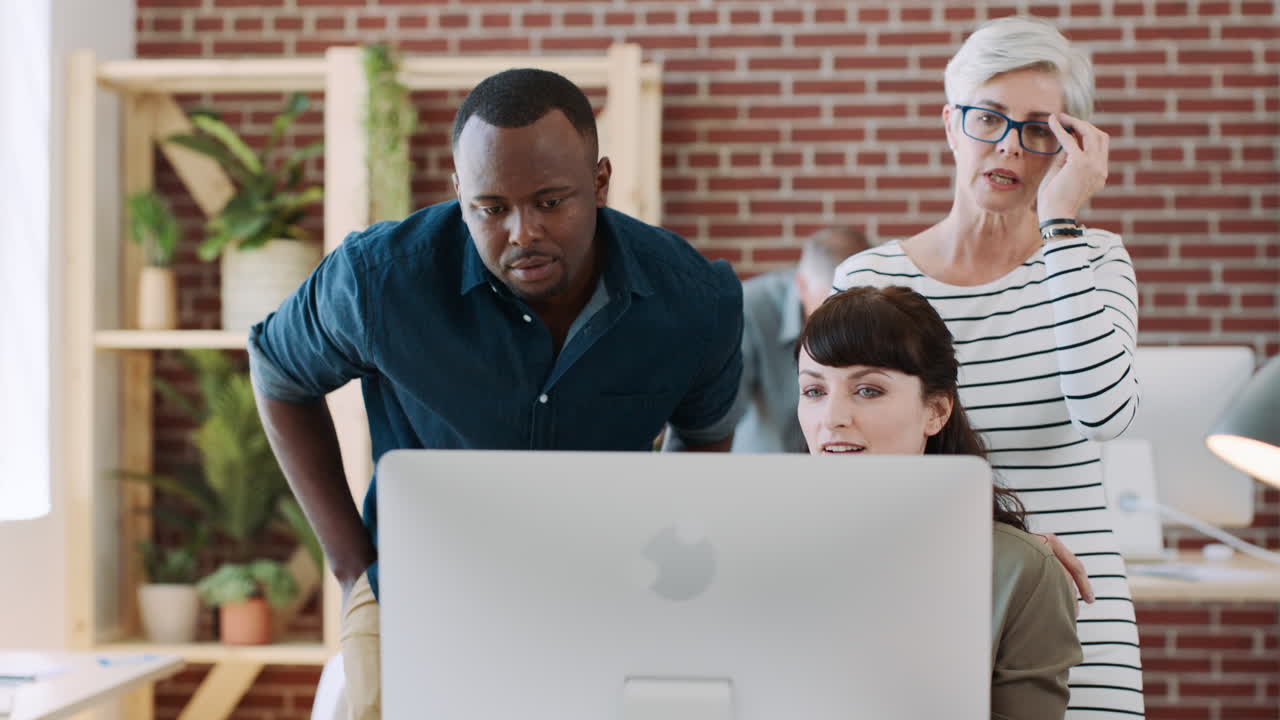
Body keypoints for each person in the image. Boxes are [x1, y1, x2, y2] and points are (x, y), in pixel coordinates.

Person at [248, 68, 743, 719]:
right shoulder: (380, 280)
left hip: (602, 588)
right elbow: (278, 372)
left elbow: (704, 434)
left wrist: (658, 578)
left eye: (550, 201)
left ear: (599, 182)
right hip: (414, 585)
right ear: (459, 193)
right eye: (491, 208)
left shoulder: (692, 300)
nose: (521, 233)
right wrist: (349, 566)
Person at [831, 17, 1142, 718]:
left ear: (1068, 147)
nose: (1008, 145)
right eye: (988, 118)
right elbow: (846, 468)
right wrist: (1006, 543)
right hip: (919, 603)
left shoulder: (1093, 260)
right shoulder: (870, 278)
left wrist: (1063, 225)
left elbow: (1104, 414)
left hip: (1078, 610)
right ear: (951, 124)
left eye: (1038, 128)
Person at [796, 286, 1083, 719]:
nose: (832, 417)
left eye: (868, 390)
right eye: (814, 391)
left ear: (937, 410)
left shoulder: (1017, 572)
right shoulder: (762, 548)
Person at [730, 227, 869, 453]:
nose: (842, 323)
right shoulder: (749, 311)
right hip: (762, 470)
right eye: (830, 305)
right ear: (802, 286)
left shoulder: (879, 315)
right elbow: (719, 418)